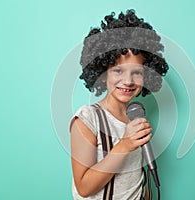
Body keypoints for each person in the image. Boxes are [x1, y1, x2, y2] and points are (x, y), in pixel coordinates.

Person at [70, 9, 168, 200]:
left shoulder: (136, 116)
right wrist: (124, 145)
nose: (128, 81)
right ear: (103, 74)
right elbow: (83, 187)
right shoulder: (88, 119)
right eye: (118, 71)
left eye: (137, 72)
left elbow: (136, 179)